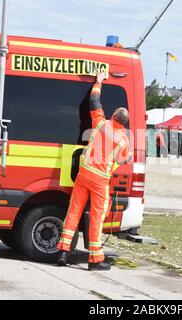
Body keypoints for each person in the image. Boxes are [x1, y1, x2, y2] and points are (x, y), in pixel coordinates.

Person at [56, 71, 132, 271]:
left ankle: (63, 252)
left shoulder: (100, 123)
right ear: (124, 122)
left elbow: (94, 100)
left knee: (74, 211)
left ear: (113, 115)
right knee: (97, 217)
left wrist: (98, 81)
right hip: (100, 181)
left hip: (83, 174)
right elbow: (121, 159)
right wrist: (128, 157)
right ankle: (94, 260)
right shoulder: (124, 140)